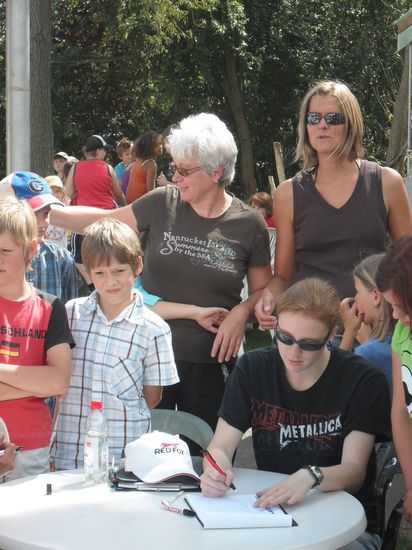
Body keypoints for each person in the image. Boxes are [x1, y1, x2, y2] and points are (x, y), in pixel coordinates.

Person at [50, 112, 272, 432]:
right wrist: (46, 212)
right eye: (174, 168)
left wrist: (242, 313)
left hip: (210, 362)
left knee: (206, 453)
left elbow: (263, 291)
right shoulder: (163, 202)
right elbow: (104, 220)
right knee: (143, 453)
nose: (175, 177)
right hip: (145, 355)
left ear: (216, 171)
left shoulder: (249, 224)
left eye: (184, 170)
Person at [201, 277, 390, 549]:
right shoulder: (253, 369)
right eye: (284, 338)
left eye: (309, 344)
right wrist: (215, 470)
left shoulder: (362, 379)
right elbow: (220, 446)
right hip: (271, 515)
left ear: (332, 335)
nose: (293, 352)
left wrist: (311, 476)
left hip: (345, 524)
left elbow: (354, 471)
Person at [256, 80, 412, 329]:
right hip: (310, 332)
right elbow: (283, 276)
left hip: (373, 329)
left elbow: (407, 264)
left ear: (351, 124)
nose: (322, 125)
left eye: (333, 118)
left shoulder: (386, 182)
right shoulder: (288, 193)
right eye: (313, 118)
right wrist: (267, 297)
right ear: (305, 125)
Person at [53, 218, 179, 468]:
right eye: (100, 273)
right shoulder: (71, 314)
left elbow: (152, 397)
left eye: (119, 271)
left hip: (124, 456)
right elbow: (57, 383)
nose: (110, 282)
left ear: (138, 265)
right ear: (89, 272)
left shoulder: (154, 329)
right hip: (68, 451)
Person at [0, 197, 74, 481]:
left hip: (31, 450)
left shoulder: (50, 308)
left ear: (31, 249)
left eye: (6, 250)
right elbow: (48, 383)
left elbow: (58, 382)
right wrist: (34, 386)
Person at [376, 235, 412, 525]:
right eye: (391, 306)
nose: (397, 316)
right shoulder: (402, 333)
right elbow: (400, 411)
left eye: (403, 306)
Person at [1, 172, 78, 303]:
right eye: (32, 214)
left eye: (46, 214)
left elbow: (69, 310)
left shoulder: (62, 259)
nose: (43, 223)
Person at [65, 134, 126, 288]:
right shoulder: (108, 168)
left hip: (83, 220)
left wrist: (80, 191)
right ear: (98, 151)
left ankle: (92, 285)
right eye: (105, 150)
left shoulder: (75, 167)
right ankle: (110, 284)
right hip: (107, 219)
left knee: (79, 257)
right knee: (110, 255)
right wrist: (126, 206)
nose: (106, 153)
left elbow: (69, 192)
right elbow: (118, 194)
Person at [340, 253, 394, 391]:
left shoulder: (368, 352)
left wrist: (349, 334)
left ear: (376, 296)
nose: (355, 298)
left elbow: (336, 386)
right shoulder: (401, 336)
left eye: (357, 291)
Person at [125, 131, 163, 203]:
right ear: (149, 146)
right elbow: (150, 192)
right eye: (157, 145)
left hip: (129, 202)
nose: (160, 147)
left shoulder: (139, 160)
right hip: (139, 204)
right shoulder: (150, 164)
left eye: (161, 144)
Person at [44, 175, 70, 248]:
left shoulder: (66, 209)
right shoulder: (41, 211)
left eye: (57, 191)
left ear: (62, 193)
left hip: (62, 251)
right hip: (45, 250)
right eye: (51, 191)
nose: (54, 194)